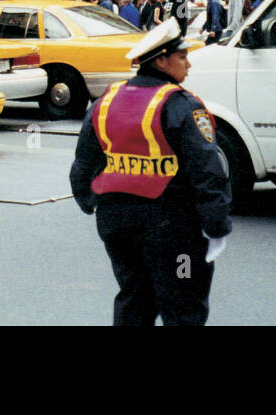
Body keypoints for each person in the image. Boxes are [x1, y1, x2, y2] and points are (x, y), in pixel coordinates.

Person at [69, 18, 231, 325]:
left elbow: (84, 163)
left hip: (116, 223)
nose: (189, 65)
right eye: (182, 57)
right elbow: (207, 169)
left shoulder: (107, 100)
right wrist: (216, 224)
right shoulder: (181, 105)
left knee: (135, 298)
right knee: (183, 301)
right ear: (161, 61)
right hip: (172, 230)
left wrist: (87, 199)